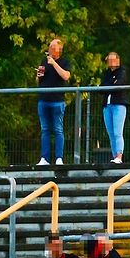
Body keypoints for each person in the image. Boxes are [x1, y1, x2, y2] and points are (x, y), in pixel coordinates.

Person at [35, 38, 71, 167]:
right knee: (45, 130)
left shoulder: (64, 62)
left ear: (58, 50)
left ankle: (59, 158)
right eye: (49, 47)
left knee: (57, 129)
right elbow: (38, 81)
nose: (49, 50)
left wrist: (54, 64)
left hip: (57, 101)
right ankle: (44, 158)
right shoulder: (44, 61)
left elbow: (66, 76)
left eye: (52, 47)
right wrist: (38, 75)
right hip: (43, 100)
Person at [100, 51, 128, 164]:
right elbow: (101, 88)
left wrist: (109, 85)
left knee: (117, 132)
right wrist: (111, 84)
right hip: (107, 105)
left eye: (113, 60)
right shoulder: (106, 73)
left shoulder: (122, 72)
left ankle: (119, 156)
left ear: (118, 60)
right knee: (110, 133)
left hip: (119, 105)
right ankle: (114, 155)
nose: (110, 62)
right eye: (109, 60)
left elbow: (118, 85)